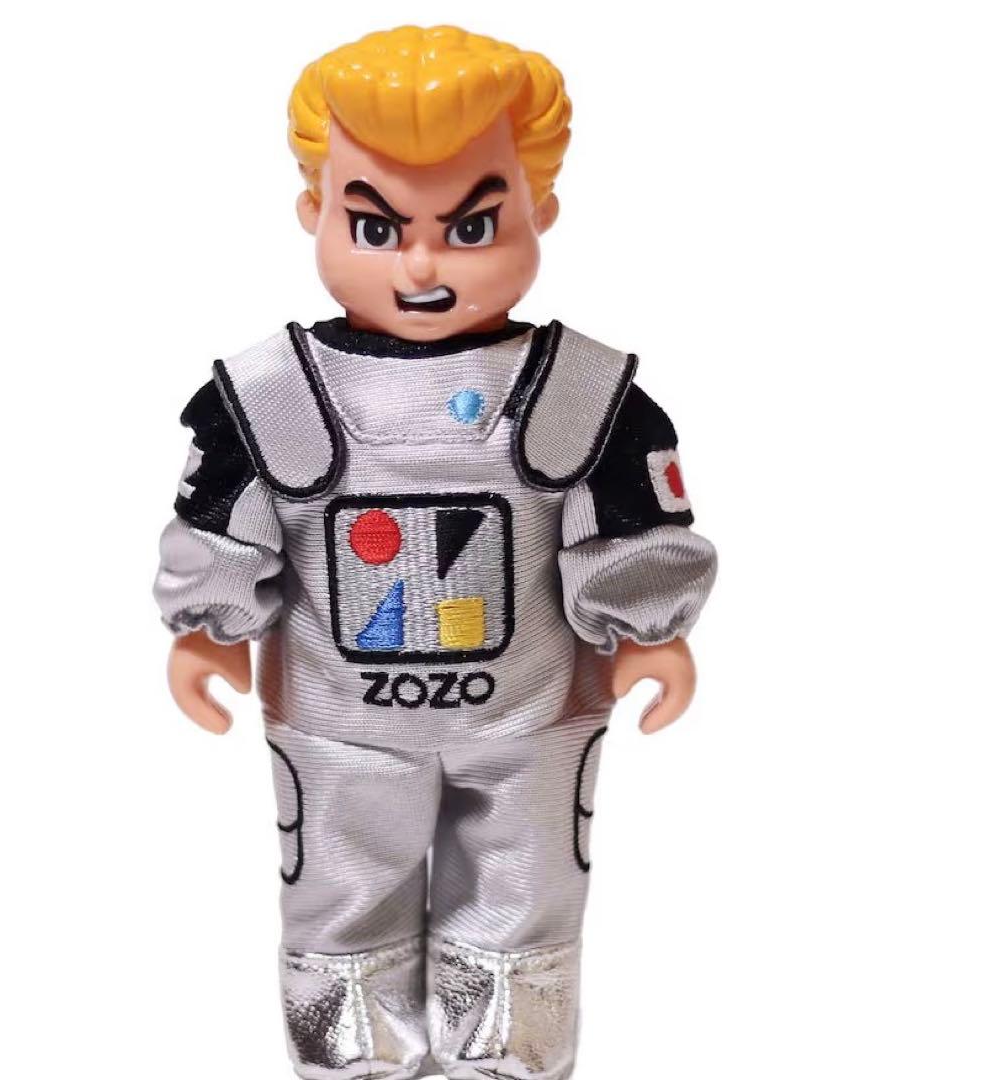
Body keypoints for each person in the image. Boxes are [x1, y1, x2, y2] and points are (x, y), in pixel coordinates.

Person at [154, 25, 717, 1080]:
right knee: (338, 901)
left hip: (531, 725)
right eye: (374, 226)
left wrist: (650, 631)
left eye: (472, 226)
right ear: (313, 210)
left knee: (525, 897)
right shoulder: (270, 398)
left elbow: (633, 526)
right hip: (338, 730)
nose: (420, 264)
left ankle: (505, 1053)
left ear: (540, 209)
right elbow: (224, 525)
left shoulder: (581, 397)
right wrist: (208, 628)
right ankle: (352, 1056)